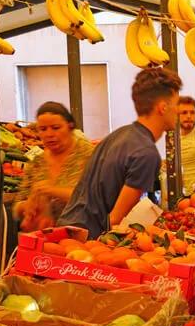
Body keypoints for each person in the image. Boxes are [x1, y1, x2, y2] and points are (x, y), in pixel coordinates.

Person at [58, 68, 182, 239]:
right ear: (163, 107)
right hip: (86, 241)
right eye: (176, 105)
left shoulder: (119, 134)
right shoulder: (146, 153)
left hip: (67, 228)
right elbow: (116, 219)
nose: (178, 111)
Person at [14, 102, 94, 231]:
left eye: (56, 128)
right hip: (46, 240)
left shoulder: (89, 156)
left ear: (70, 126)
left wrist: (52, 190)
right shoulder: (37, 162)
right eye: (43, 129)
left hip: (85, 238)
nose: (49, 134)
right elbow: (17, 205)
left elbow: (95, 198)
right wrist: (28, 206)